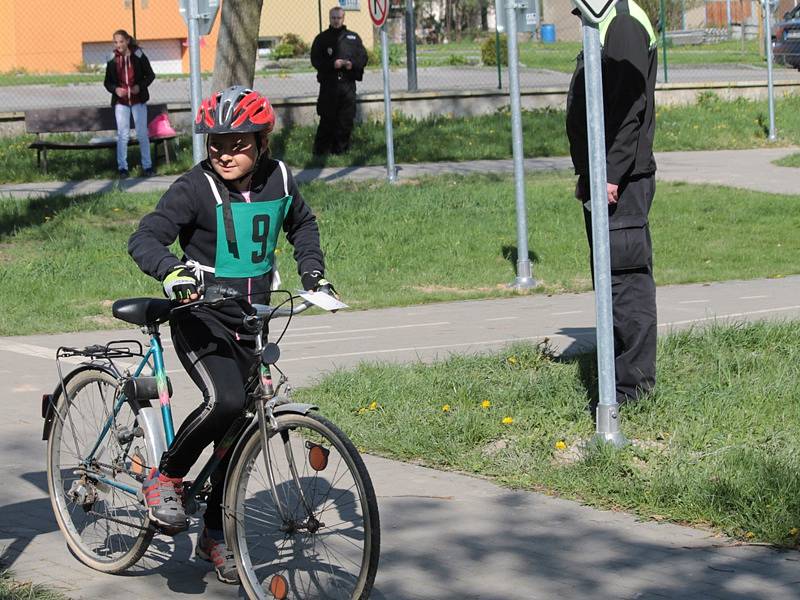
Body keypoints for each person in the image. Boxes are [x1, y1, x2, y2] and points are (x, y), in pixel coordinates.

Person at [128, 86, 333, 583]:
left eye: (237, 143)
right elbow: (145, 237)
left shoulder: (281, 178)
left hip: (250, 320)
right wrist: (172, 271)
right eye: (215, 141)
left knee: (240, 433)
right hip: (201, 318)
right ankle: (167, 477)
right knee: (222, 402)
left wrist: (313, 274)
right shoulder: (194, 187)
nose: (223, 152)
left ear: (261, 142)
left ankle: (215, 536)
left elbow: (302, 226)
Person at [565, 0, 658, 406]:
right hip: (606, 176)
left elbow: (627, 110)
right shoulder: (603, 20)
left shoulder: (621, 23)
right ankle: (618, 377)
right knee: (612, 279)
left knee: (625, 281)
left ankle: (632, 389)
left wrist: (609, 174)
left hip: (621, 180)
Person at [310, 6, 368, 155]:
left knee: (346, 119)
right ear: (330, 19)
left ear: (344, 18)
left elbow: (362, 57)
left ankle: (341, 151)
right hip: (329, 85)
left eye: (339, 18)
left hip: (347, 85)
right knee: (327, 119)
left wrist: (351, 65)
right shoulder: (322, 38)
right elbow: (315, 60)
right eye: (333, 18)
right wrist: (332, 64)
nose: (336, 21)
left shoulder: (353, 38)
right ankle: (321, 152)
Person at [104, 29, 156, 178]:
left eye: (121, 41)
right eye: (115, 42)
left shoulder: (138, 55)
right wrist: (115, 90)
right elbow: (107, 82)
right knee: (123, 134)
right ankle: (123, 168)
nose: (118, 45)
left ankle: (147, 166)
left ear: (127, 41)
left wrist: (140, 86)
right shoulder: (112, 58)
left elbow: (150, 75)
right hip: (121, 102)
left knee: (142, 133)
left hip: (138, 101)